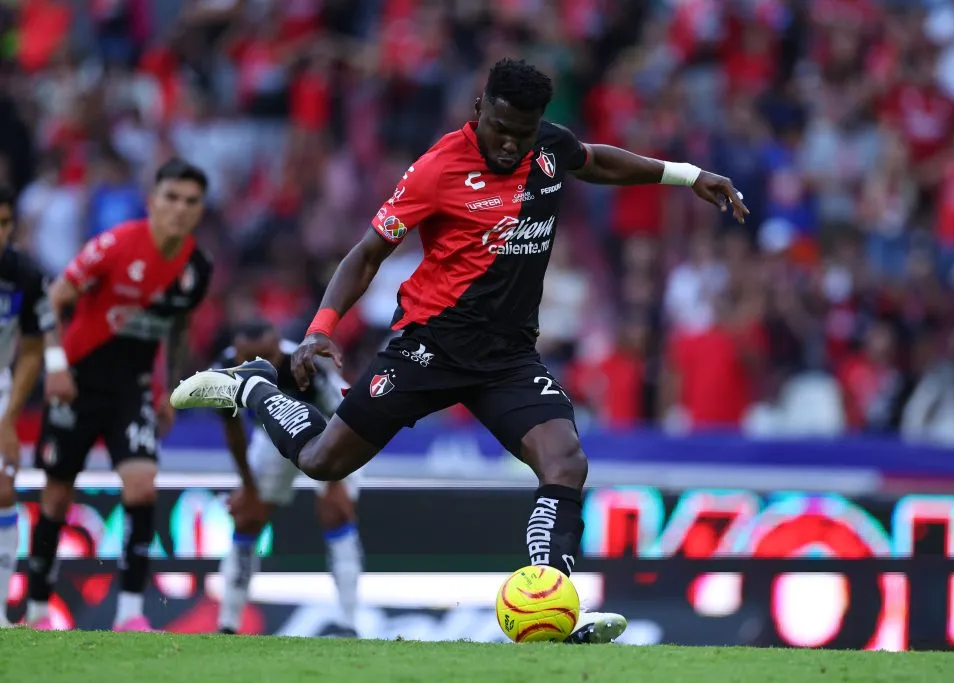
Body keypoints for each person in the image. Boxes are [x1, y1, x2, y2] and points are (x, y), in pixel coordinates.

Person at [172, 58, 747, 644]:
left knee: (566, 461)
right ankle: (254, 385)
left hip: (508, 359)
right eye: (499, 127)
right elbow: (367, 254)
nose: (508, 143)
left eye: (521, 134)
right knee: (322, 461)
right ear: (479, 110)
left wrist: (684, 173)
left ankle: (550, 602)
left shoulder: (547, 148)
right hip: (431, 349)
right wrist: (322, 326)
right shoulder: (437, 168)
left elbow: (595, 159)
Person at [27, 159, 213, 632]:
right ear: (152, 201)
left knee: (142, 486)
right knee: (55, 496)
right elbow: (54, 297)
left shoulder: (196, 267)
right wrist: (54, 366)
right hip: (77, 383)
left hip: (132, 389)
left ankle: (131, 615)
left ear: (200, 210)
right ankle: (36, 612)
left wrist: (172, 389)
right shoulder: (115, 245)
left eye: (191, 202)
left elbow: (180, 327)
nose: (180, 209)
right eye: (171, 198)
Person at [214, 319, 361, 636]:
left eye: (265, 357)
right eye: (247, 359)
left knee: (336, 513)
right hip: (272, 439)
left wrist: (335, 481)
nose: (256, 366)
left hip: (328, 434)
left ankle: (349, 622)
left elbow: (344, 415)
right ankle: (228, 624)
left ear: (278, 346)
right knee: (247, 518)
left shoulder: (306, 364)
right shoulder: (225, 371)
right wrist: (249, 487)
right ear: (236, 352)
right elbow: (233, 430)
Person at [0, 186, 74, 627]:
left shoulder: (23, 274)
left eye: (5, 224)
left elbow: (32, 348)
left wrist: (8, 417)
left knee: (4, 491)